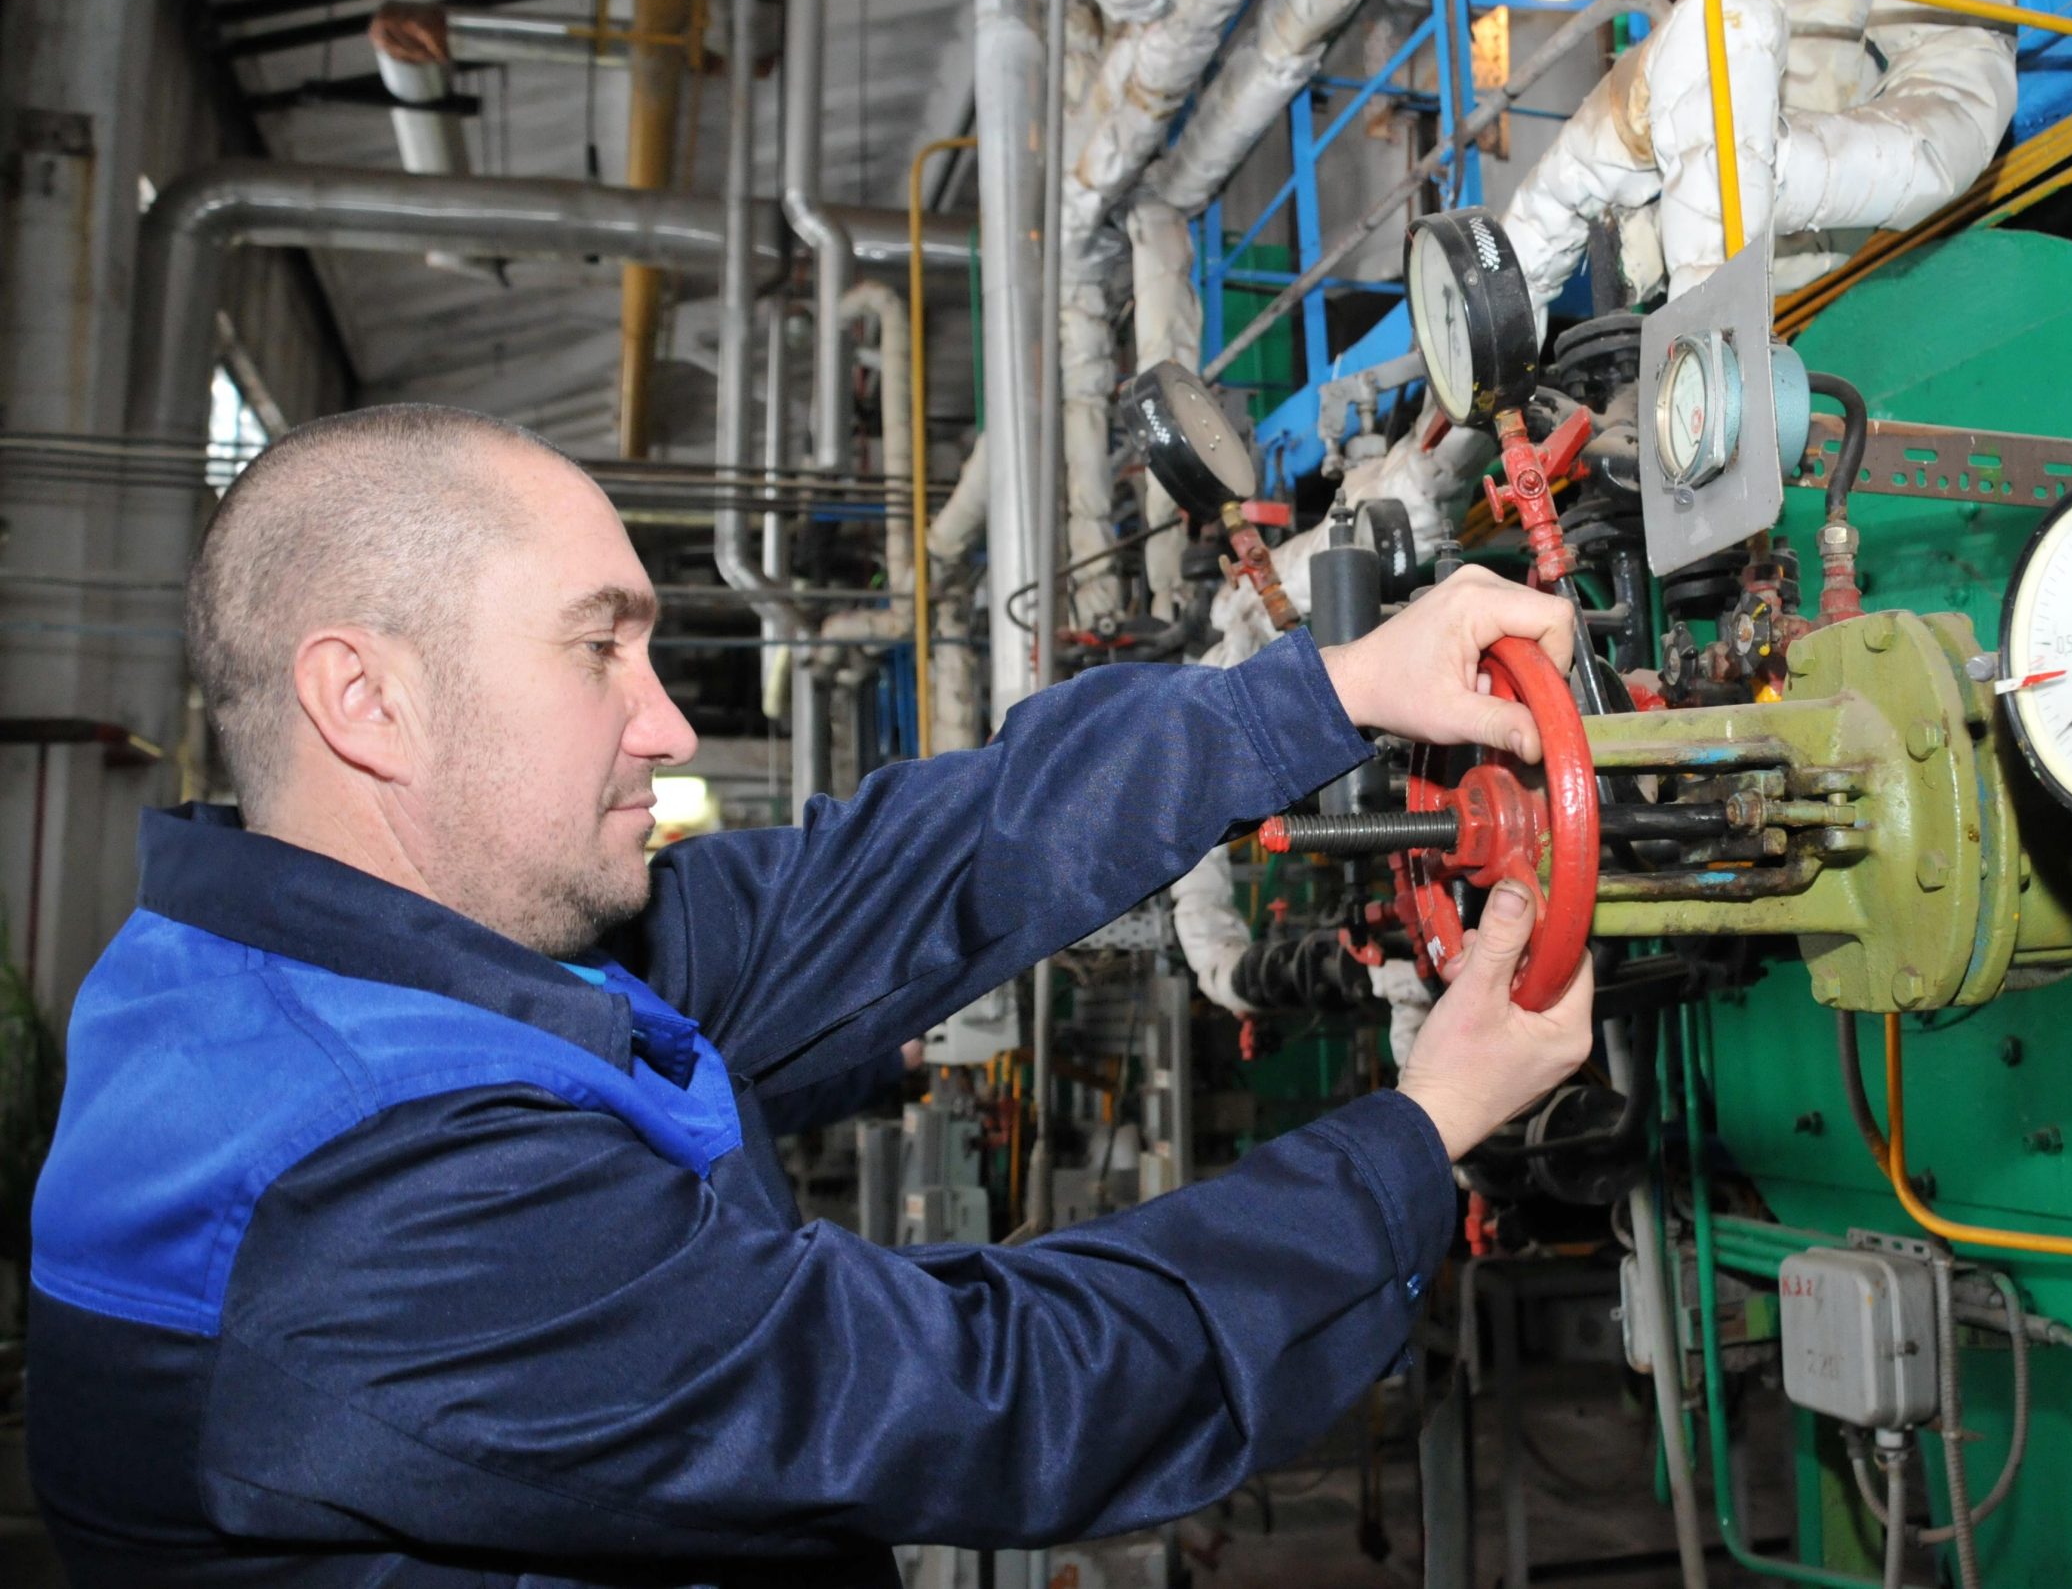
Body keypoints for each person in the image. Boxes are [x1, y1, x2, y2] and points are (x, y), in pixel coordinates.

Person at [28, 404, 1594, 1587]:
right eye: (601, 651)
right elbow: (985, 1397)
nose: (666, 728)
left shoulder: (361, 963)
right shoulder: (371, 1196)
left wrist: (1321, 694)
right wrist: (1421, 1127)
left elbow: (893, 878)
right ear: (364, 698)